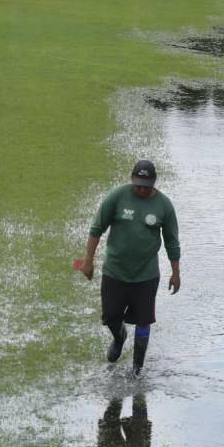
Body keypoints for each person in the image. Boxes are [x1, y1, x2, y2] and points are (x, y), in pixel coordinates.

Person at [80, 160, 180, 376]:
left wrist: (176, 272)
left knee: (144, 320)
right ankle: (119, 337)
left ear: (153, 183)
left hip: (146, 275)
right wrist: (88, 261)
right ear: (132, 180)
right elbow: (96, 229)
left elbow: (172, 241)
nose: (142, 189)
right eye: (138, 185)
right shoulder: (117, 197)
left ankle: (137, 370)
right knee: (111, 317)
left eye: (146, 185)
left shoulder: (164, 205)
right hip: (115, 272)